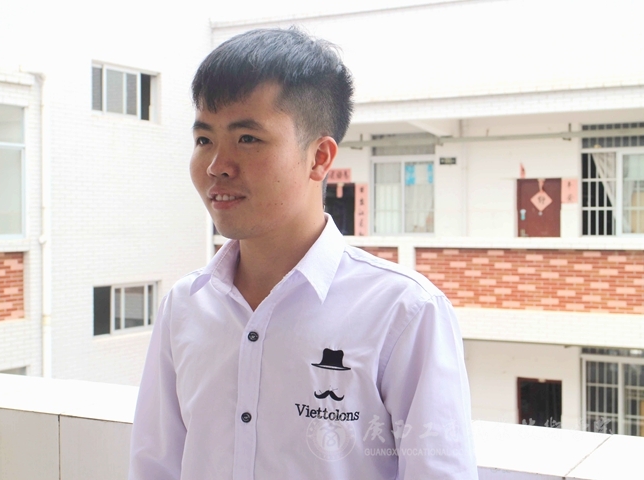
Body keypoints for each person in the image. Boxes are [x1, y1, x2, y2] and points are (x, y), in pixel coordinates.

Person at [129, 28, 478, 480]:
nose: (217, 166)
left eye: (247, 139)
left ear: (319, 157)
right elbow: (155, 466)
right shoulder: (185, 305)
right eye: (204, 140)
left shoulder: (404, 312)